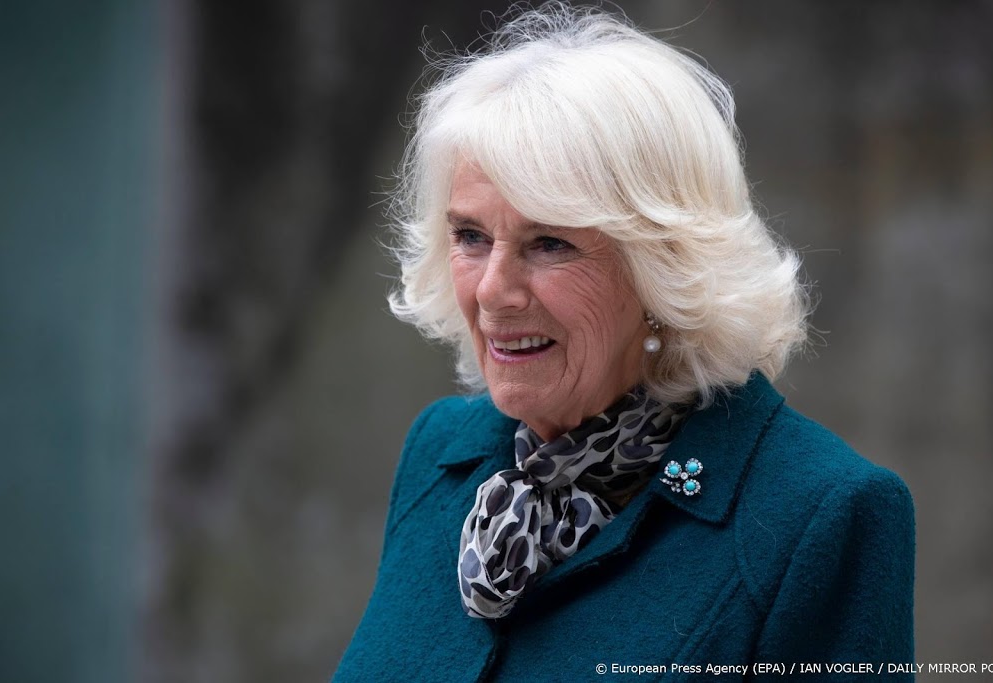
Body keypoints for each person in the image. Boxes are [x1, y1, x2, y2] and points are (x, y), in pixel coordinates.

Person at [333, 4, 914, 681]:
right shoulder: (438, 453)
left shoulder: (821, 516)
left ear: (664, 264)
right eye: (470, 236)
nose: (493, 290)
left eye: (549, 242)